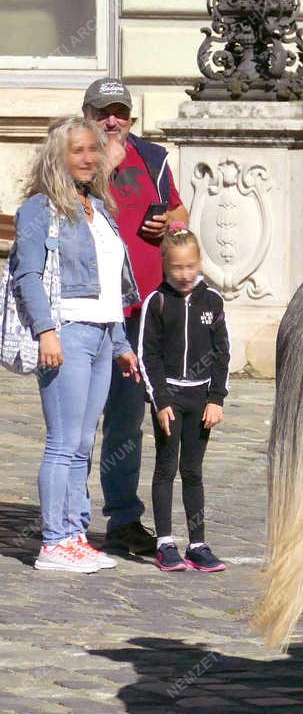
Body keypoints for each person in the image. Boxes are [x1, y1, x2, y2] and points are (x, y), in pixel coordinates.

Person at [10, 117, 141, 573]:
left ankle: (75, 533)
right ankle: (53, 542)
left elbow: (113, 284)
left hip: (104, 334)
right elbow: (25, 275)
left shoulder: (99, 208)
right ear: (58, 157)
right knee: (63, 442)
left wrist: (122, 343)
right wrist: (47, 330)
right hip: (68, 333)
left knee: (84, 442)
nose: (88, 158)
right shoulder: (39, 209)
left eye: (93, 150)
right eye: (78, 151)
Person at [82, 78, 189, 556]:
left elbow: (181, 211)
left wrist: (171, 223)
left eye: (120, 112)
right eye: (103, 111)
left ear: (130, 118)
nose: (112, 121)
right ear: (87, 113)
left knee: (127, 421)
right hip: (87, 310)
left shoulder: (152, 157)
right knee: (80, 422)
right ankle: (69, 521)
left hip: (141, 313)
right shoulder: (75, 156)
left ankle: (123, 519)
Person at [139, 224, 230, 573]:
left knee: (193, 471)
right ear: (165, 265)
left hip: (201, 400)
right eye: (177, 267)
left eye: (190, 266)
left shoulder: (213, 301)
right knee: (166, 468)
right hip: (170, 399)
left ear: (199, 263)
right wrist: (160, 400)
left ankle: (198, 543)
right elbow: (149, 355)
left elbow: (223, 352)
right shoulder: (158, 302)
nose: (184, 274)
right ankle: (164, 542)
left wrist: (216, 397)